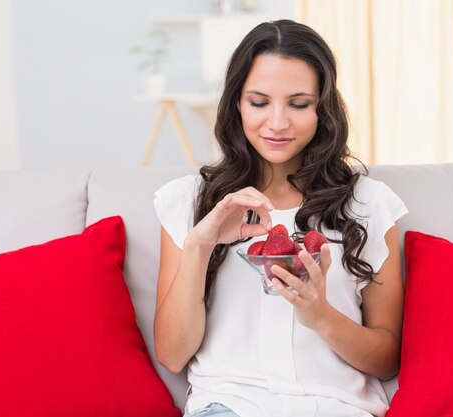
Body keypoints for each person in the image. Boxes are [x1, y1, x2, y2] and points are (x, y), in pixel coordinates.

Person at [153, 19, 408, 417]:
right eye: (259, 102)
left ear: (323, 109)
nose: (277, 122)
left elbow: (386, 360)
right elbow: (172, 354)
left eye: (299, 103)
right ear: (237, 103)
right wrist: (201, 244)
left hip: (335, 408)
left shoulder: (369, 205)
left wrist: (320, 315)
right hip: (229, 407)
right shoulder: (189, 201)